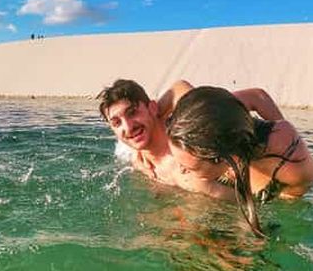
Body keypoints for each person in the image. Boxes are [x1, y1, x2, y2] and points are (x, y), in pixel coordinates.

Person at [97, 79, 285, 201]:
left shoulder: (192, 125)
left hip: (272, 189)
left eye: (133, 112)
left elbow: (258, 97)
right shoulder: (139, 164)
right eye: (116, 122)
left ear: (153, 108)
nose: (128, 126)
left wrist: (288, 141)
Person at [166, 86, 313, 236]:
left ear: (225, 159)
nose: (181, 170)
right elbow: (257, 96)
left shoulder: (292, 167)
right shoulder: (220, 115)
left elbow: (287, 205)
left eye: (189, 167)